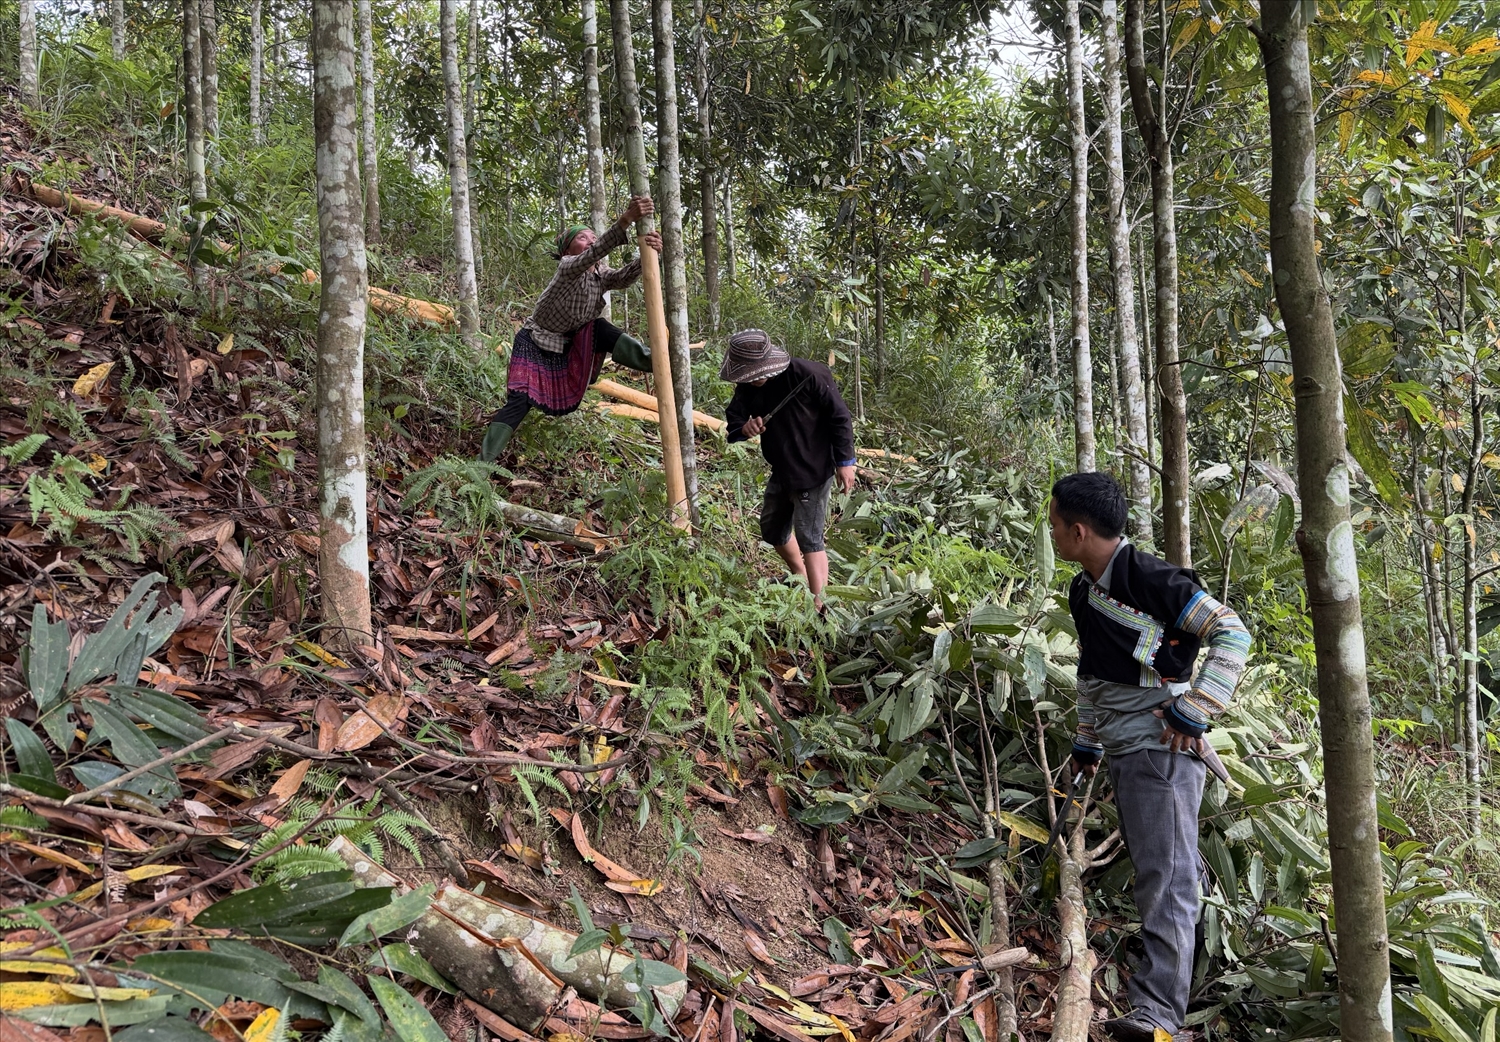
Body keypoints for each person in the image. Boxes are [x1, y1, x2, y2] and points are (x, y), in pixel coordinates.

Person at [1048, 472, 1251, 1042]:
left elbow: (1231, 634)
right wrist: (1087, 738)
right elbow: (1093, 672)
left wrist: (1198, 707)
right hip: (1124, 746)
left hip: (1159, 747)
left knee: (1167, 877)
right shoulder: (1085, 588)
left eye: (1057, 523)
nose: (1053, 531)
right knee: (1167, 866)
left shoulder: (1151, 577)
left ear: (1079, 530)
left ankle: (1159, 1013)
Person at [480, 196, 662, 461]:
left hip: (566, 345)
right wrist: (625, 220)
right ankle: (483, 464)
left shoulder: (600, 275)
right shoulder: (567, 266)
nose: (590, 240)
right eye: (583, 238)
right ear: (567, 250)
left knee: (599, 327)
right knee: (519, 401)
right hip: (534, 341)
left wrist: (650, 252)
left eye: (592, 236)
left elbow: (623, 278)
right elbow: (595, 252)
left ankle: (654, 361)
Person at [722, 329, 856, 608]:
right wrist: (744, 429)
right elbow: (734, 420)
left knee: (810, 538)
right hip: (781, 469)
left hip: (814, 469)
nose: (755, 379)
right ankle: (800, 574)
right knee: (772, 530)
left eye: (758, 373)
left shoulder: (809, 375)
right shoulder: (748, 386)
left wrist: (845, 463)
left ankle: (821, 607)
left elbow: (840, 417)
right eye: (749, 375)